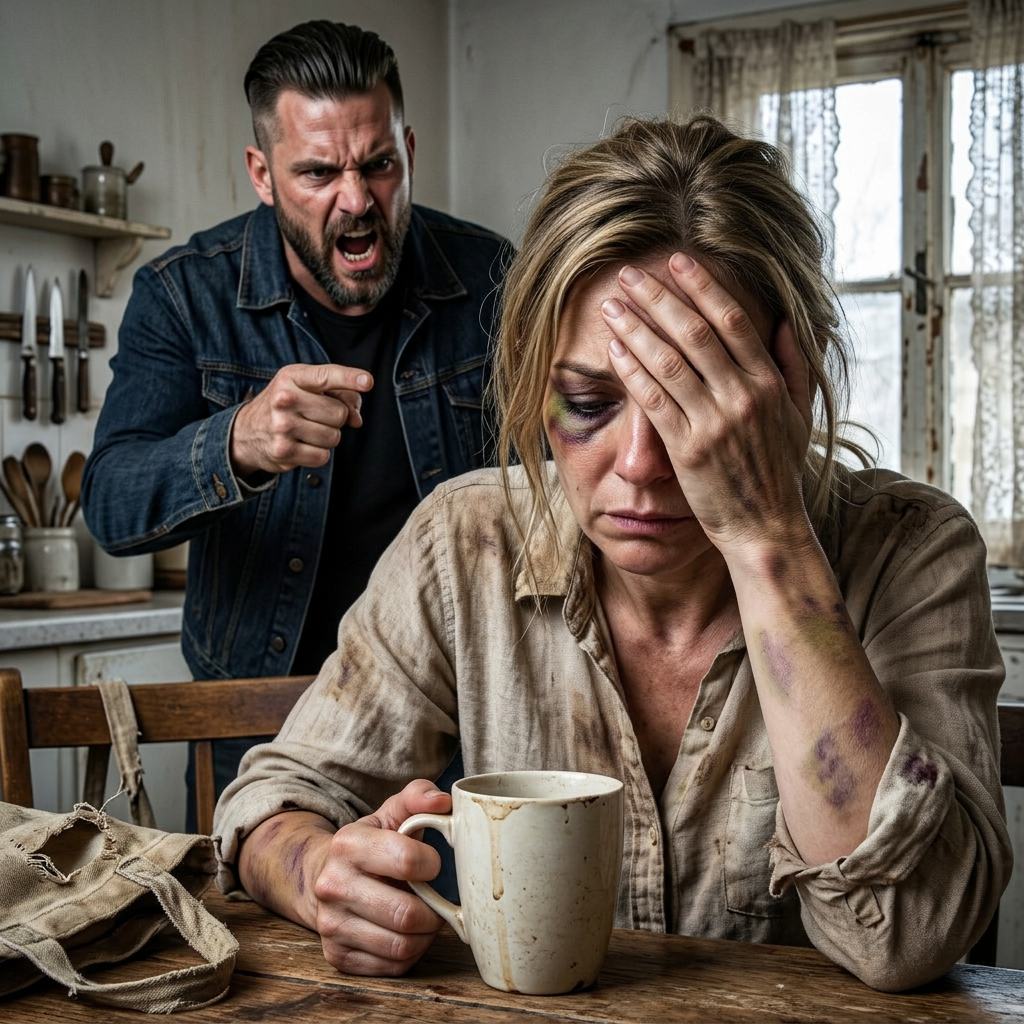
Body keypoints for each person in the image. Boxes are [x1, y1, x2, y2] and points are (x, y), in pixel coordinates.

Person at [213, 114, 1012, 992]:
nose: (638, 466)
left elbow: (910, 934)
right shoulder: (466, 539)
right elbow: (271, 803)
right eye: (587, 404)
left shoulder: (913, 550)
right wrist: (320, 873)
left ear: (791, 376)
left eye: (694, 406)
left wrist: (768, 541)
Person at [82, 22, 508, 810]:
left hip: (458, 727)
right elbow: (109, 505)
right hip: (256, 733)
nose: (357, 199)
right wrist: (234, 443)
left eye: (379, 165)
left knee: (457, 933)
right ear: (262, 173)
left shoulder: (494, 280)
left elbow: (562, 482)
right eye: (317, 172)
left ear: (408, 149)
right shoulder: (183, 295)